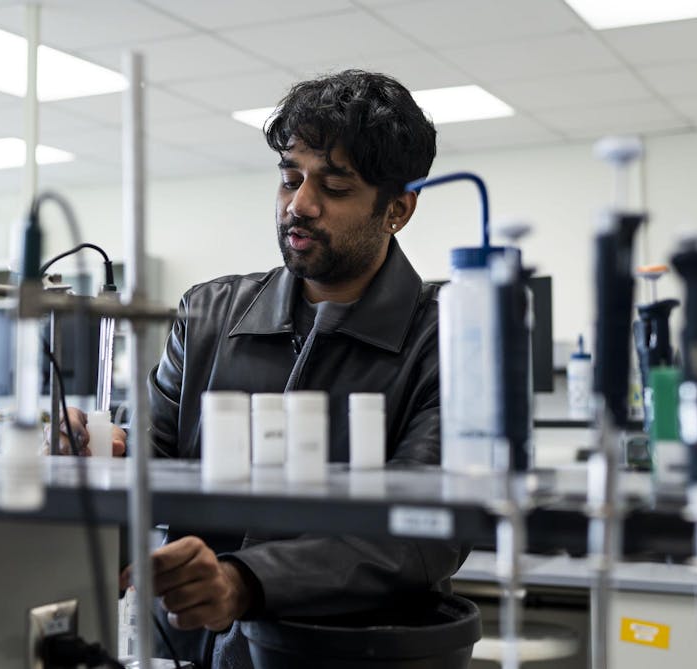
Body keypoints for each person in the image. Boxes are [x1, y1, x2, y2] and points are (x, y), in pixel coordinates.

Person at [59, 69, 467, 668]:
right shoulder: (209, 315)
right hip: (185, 646)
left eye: (334, 185)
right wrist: (104, 451)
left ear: (397, 210)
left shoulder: (450, 334)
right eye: (290, 179)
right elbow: (156, 464)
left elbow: (423, 529)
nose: (300, 204)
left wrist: (245, 581)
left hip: (348, 654)